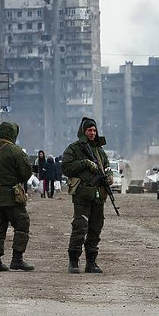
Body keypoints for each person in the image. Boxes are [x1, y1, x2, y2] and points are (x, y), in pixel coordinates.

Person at [0, 121, 35, 272]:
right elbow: (26, 173)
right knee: (22, 225)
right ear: (13, 134)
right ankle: (17, 259)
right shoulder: (16, 151)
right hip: (12, 196)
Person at [62, 117, 114, 274]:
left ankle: (91, 262)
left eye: (94, 130)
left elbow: (106, 165)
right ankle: (73, 261)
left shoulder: (99, 150)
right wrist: (84, 163)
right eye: (89, 130)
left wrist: (109, 174)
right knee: (80, 227)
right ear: (83, 131)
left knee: (95, 229)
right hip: (82, 195)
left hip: (99, 196)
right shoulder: (74, 149)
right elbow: (66, 167)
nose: (92, 133)